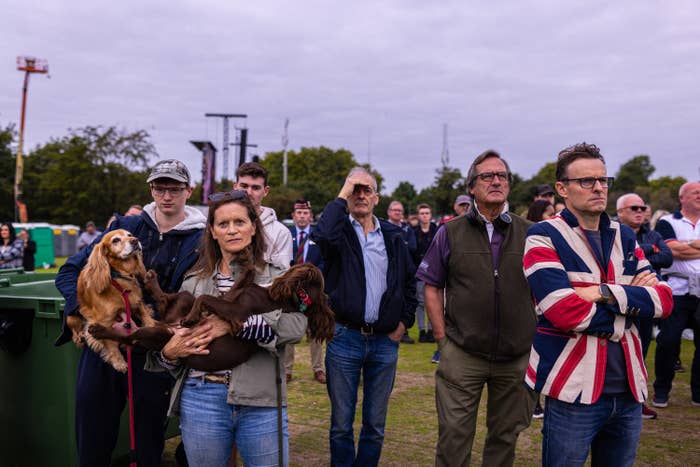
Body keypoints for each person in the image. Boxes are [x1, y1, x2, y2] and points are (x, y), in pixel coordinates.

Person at [523, 143, 673, 466]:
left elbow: (663, 301)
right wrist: (629, 304)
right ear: (562, 189)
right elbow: (562, 310)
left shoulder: (626, 236)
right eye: (587, 181)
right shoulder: (543, 236)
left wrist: (603, 292)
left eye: (604, 180)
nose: (599, 188)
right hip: (573, 389)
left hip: (630, 390)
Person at [55, 159, 206, 467]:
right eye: (159, 187)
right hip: (105, 346)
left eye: (174, 188)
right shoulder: (129, 226)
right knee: (93, 438)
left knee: (149, 444)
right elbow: (69, 272)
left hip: (153, 354)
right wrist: (85, 311)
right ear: (151, 189)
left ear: (188, 191)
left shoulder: (200, 238)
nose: (166, 196)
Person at [148, 190, 306, 467]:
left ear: (254, 227)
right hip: (201, 398)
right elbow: (178, 344)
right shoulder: (194, 282)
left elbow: (296, 327)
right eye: (223, 224)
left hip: (261, 400)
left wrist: (236, 324)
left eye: (240, 222)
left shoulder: (277, 276)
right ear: (213, 231)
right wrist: (168, 354)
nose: (232, 230)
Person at [418, 150, 536, 466]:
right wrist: (443, 339)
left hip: (515, 358)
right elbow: (432, 286)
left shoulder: (530, 232)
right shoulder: (450, 231)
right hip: (463, 354)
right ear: (472, 187)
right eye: (487, 176)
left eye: (502, 176)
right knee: (454, 438)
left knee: (504, 438)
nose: (496, 181)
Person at [312, 167, 416, 466]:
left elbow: (409, 282)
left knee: (375, 424)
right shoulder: (339, 232)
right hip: (345, 337)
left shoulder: (393, 235)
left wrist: (403, 323)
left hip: (385, 341)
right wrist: (342, 194)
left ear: (377, 198)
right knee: (341, 424)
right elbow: (321, 235)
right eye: (354, 190)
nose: (360, 195)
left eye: (365, 189)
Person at [617, 193, 673, 420]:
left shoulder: (654, 233)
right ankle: (620, 401)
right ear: (620, 212)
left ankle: (637, 401)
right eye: (633, 208)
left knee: (642, 350)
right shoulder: (613, 233)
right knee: (620, 351)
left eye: (642, 208)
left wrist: (642, 253)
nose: (640, 211)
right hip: (622, 300)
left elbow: (668, 258)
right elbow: (622, 263)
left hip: (648, 301)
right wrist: (651, 250)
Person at [652, 181, 700, 408]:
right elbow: (671, 250)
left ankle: (698, 393)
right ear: (682, 197)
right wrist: (688, 247)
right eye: (695, 192)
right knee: (668, 341)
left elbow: (681, 249)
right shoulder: (667, 222)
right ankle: (661, 390)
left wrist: (686, 245)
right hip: (677, 290)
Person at [284, 198, 327, 384]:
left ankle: (318, 369)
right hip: (291, 291)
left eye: (305, 213)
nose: (302, 216)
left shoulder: (319, 236)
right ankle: (286, 370)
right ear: (293, 216)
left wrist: (314, 281)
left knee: (315, 330)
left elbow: (324, 260)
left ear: (310, 216)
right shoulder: (286, 235)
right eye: (299, 213)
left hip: (313, 290)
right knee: (288, 329)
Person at [234, 162, 292, 270]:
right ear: (235, 186)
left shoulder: (280, 233)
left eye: (255, 188)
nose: (249, 192)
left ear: (265, 191)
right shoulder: (219, 226)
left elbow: (280, 280)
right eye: (244, 186)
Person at [386, 200, 417, 344]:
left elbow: (412, 247)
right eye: (394, 210)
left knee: (404, 298)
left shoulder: (407, 229)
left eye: (399, 210)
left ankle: (404, 330)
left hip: (404, 269)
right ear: (388, 212)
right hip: (387, 269)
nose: (397, 212)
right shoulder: (383, 227)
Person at [413, 203, 438, 344]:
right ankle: (422, 330)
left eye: (427, 213)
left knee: (433, 302)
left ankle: (431, 330)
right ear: (418, 215)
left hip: (434, 271)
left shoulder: (437, 230)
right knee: (421, 303)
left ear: (430, 215)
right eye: (422, 213)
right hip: (419, 271)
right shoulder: (413, 231)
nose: (424, 215)